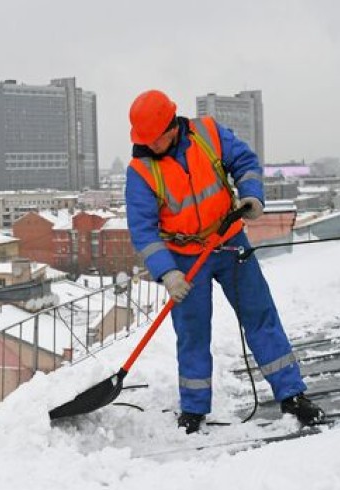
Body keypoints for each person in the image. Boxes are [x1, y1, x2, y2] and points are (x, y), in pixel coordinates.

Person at [124, 89, 325, 434]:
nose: (150, 146)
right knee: (192, 334)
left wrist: (251, 196)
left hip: (229, 242)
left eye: (154, 139)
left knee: (260, 316)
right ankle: (194, 409)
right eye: (145, 140)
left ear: (172, 127)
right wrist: (168, 272)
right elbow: (142, 229)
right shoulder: (140, 170)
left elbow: (244, 163)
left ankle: (292, 395)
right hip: (185, 259)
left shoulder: (208, 134)